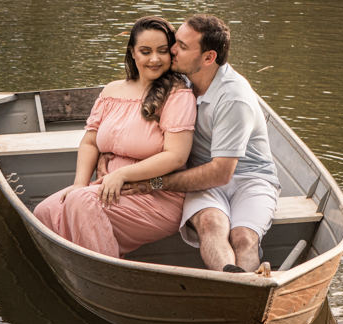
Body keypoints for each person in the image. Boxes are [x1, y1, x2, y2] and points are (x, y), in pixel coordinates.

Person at [108, 14, 280, 273]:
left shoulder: (234, 98)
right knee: (210, 223)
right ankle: (234, 281)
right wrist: (106, 152)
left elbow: (221, 173)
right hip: (202, 175)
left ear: (209, 58)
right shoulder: (180, 79)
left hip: (250, 178)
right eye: (176, 41)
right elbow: (129, 122)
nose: (172, 50)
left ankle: (246, 290)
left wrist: (154, 183)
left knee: (243, 237)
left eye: (183, 47)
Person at [33, 16, 196, 259]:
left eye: (162, 51)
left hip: (155, 194)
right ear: (132, 52)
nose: (154, 59)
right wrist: (80, 183)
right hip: (106, 186)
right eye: (145, 51)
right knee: (44, 211)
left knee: (80, 204)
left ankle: (105, 277)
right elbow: (89, 141)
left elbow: (175, 156)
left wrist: (121, 174)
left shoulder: (178, 96)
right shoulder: (112, 91)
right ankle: (76, 270)